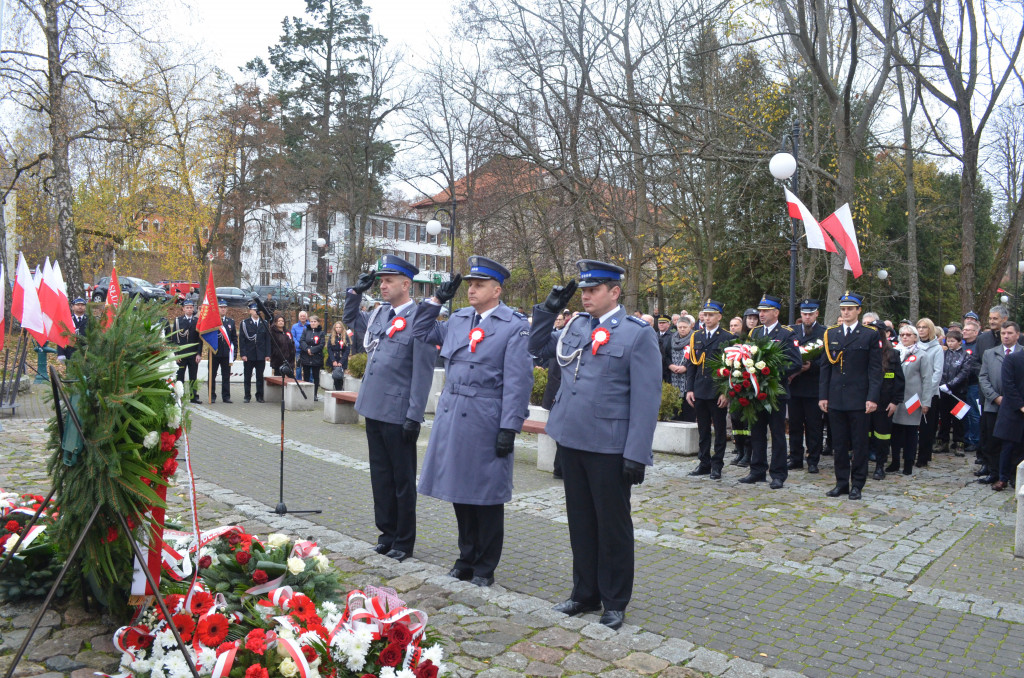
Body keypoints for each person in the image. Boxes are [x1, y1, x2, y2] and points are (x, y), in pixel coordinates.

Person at [529, 259, 661, 630]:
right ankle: (584, 593)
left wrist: (636, 453)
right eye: (583, 290)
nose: (585, 296)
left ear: (614, 292)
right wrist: (549, 310)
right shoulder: (576, 326)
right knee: (581, 522)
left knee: (612, 526)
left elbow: (646, 399)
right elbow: (536, 345)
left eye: (593, 290)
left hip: (610, 446)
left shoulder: (637, 333)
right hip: (572, 440)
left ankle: (615, 600)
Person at [412, 257, 533, 588]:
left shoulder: (513, 325)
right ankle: (465, 557)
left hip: (486, 417)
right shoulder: (459, 318)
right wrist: (436, 300)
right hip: (453, 414)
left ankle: (485, 565)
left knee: (487, 495)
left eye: (479, 284)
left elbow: (519, 382)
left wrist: (509, 427)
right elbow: (420, 330)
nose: (472, 289)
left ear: (497, 290)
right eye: (469, 285)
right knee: (459, 492)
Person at [344, 255, 439, 562]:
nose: (382, 286)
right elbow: (352, 323)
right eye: (381, 281)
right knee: (380, 476)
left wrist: (415, 414)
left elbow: (422, 373)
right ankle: (386, 533)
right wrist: (355, 294)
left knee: (401, 479)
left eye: (388, 281)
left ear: (406, 284)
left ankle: (404, 540)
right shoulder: (379, 314)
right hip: (374, 406)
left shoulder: (421, 318)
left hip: (399, 412)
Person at [819, 292, 882, 500]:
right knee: (838, 443)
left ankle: (857, 484)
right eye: (843, 309)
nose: (845, 312)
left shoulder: (869, 334)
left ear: (858, 310)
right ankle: (841, 482)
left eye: (850, 309)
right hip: (836, 397)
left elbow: (875, 370)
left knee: (859, 443)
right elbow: (826, 368)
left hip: (859, 398)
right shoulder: (831, 334)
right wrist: (823, 396)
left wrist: (872, 398)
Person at [740, 294, 801, 489]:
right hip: (756, 392)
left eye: (766, 311)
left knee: (777, 434)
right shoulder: (755, 333)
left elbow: (795, 362)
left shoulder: (787, 334)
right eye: (760, 311)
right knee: (756, 432)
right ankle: (757, 470)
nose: (761, 314)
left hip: (775, 392)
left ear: (776, 312)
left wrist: (771, 373)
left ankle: (778, 474)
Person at [684, 299, 734, 479]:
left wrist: (726, 392)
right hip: (699, 389)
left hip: (717, 390)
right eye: (705, 315)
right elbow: (691, 365)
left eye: (711, 315)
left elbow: (732, 369)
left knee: (719, 430)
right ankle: (703, 462)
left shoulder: (728, 337)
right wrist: (689, 389)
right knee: (703, 429)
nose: (707, 318)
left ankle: (717, 465)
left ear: (719, 316)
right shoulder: (696, 336)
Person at [977, 321, 1020, 484]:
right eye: (1003, 333)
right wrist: (995, 396)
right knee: (992, 440)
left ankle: (1012, 474)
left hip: (1015, 407)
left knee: (1014, 442)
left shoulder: (1022, 353)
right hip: (994, 404)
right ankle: (994, 472)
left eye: (1009, 333)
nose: (1006, 336)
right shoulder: (990, 353)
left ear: (1017, 334)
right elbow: (983, 377)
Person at [788, 299, 826, 473]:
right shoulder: (792, 331)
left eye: (811, 314)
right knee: (795, 425)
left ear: (817, 313)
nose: (807, 317)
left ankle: (813, 460)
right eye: (804, 314)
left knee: (814, 426)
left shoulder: (824, 332)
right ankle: (795, 457)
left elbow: (827, 360)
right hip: (794, 386)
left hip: (813, 387)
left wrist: (812, 366)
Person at [891, 325, 934, 475]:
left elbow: (927, 379)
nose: (905, 337)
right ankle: (894, 461)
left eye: (908, 335)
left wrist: (926, 401)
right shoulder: (894, 352)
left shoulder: (922, 355)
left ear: (915, 337)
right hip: (896, 399)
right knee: (895, 432)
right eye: (902, 334)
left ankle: (908, 463)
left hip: (913, 400)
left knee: (910, 433)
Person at [867, 320, 905, 479]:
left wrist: (895, 402)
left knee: (882, 436)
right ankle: (861, 462)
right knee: (864, 435)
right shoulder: (864, 351)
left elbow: (898, 380)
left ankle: (880, 466)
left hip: (884, 402)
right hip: (865, 401)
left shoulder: (892, 354)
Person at [936, 328, 974, 456]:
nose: (950, 343)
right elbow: (939, 369)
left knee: (958, 419)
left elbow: (964, 373)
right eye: (948, 341)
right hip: (943, 391)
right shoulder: (943, 354)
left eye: (953, 341)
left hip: (958, 392)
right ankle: (942, 441)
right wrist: (942, 384)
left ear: (959, 342)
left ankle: (959, 443)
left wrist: (950, 385)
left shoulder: (965, 355)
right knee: (944, 417)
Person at [993, 345, 1024, 491]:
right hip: (1012, 409)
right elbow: (1008, 384)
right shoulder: (1012, 359)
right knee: (1008, 446)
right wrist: (1020, 405)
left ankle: (1018, 478)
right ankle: (1003, 477)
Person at [915, 318, 945, 467]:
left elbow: (937, 373)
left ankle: (924, 456)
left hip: (930, 393)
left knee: (927, 426)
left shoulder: (937, 348)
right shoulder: (915, 346)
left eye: (924, 327)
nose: (921, 330)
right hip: (914, 392)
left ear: (930, 329)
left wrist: (926, 391)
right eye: (919, 327)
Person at [169, 299, 202, 403]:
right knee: (180, 376)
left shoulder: (197, 321)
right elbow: (174, 338)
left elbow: (200, 339)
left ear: (193, 309)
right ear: (183, 309)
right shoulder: (178, 321)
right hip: (181, 354)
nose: (189, 309)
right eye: (187, 307)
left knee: (193, 376)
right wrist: (176, 354)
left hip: (193, 354)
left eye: (191, 307)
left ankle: (193, 396)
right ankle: (180, 396)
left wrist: (199, 353)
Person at [239, 302, 271, 403]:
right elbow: (242, 339)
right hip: (249, 354)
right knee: (247, 377)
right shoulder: (245, 323)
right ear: (250, 311)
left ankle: (259, 396)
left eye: (258, 310)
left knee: (259, 377)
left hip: (260, 355)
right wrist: (243, 354)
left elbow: (267, 340)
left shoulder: (264, 323)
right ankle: (247, 396)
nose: (256, 312)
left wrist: (267, 354)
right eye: (254, 310)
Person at [667, 315, 695, 422]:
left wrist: (685, 367)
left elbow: (696, 357)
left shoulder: (694, 338)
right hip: (673, 376)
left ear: (690, 327)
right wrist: (671, 365)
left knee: (688, 413)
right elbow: (666, 355)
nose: (682, 329)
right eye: (680, 327)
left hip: (688, 377)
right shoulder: (671, 338)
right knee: (675, 412)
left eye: (685, 327)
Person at [209, 299, 237, 404]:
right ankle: (211, 396)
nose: (223, 309)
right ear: (218, 309)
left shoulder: (231, 322)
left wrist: (234, 353)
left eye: (225, 307)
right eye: (221, 307)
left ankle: (226, 396)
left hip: (226, 353)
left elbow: (234, 339)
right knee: (212, 376)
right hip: (214, 352)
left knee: (226, 376)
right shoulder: (212, 321)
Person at [961, 318, 982, 454]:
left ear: (975, 332)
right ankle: (965, 438)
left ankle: (975, 439)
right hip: (961, 385)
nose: (964, 332)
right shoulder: (962, 346)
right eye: (964, 330)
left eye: (967, 330)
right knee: (962, 412)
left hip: (974, 384)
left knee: (973, 413)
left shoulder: (978, 346)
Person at [299, 315, 326, 401]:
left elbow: (321, 344)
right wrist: (307, 349)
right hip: (306, 356)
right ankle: (306, 393)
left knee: (315, 376)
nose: (313, 323)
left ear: (318, 323)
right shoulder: (305, 330)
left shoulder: (321, 333)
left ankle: (314, 394)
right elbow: (302, 341)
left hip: (316, 357)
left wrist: (312, 350)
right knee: (306, 376)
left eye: (315, 321)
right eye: (311, 321)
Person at [56, 297, 89, 362]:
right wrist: (60, 353)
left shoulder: (89, 319)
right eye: (77, 305)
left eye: (82, 305)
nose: (80, 307)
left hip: (86, 352)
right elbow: (61, 337)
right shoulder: (67, 319)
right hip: (70, 352)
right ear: (72, 307)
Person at [327, 320, 350, 390]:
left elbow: (347, 350)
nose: (338, 329)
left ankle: (340, 391)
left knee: (340, 377)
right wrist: (333, 360)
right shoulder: (332, 336)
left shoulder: (345, 337)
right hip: (334, 359)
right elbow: (329, 349)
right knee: (335, 377)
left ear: (342, 328)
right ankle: (336, 390)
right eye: (336, 327)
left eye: (339, 327)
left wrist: (341, 361)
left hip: (342, 359)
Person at [291, 311, 309, 380]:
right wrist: (299, 345)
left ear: (306, 317)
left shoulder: (310, 326)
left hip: (307, 350)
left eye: (304, 316)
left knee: (307, 367)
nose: (302, 317)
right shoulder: (294, 326)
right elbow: (293, 337)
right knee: (298, 367)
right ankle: (298, 381)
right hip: (298, 350)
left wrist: (306, 347)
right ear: (299, 317)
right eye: (301, 316)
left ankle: (309, 381)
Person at [657, 315, 674, 383]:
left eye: (663, 323)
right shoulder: (654, 335)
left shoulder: (673, 336)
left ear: (669, 324)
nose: (661, 324)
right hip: (657, 367)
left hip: (668, 368)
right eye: (659, 323)